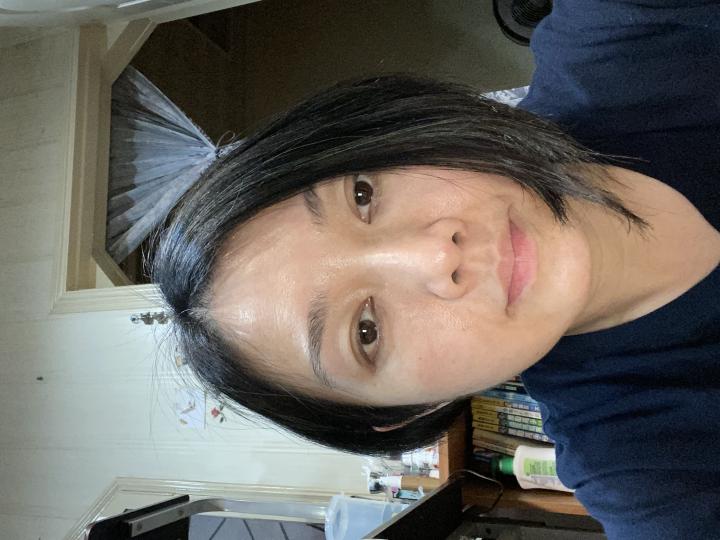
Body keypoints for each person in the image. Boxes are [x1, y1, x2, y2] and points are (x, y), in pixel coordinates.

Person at [149, 1, 720, 537]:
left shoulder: (623, 30)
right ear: (408, 413)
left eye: (363, 194)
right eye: (365, 331)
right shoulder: (655, 481)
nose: (435, 255)